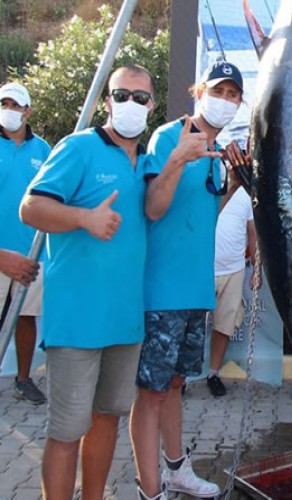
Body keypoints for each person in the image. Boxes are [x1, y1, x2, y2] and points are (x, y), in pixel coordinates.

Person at [19, 65, 156, 500]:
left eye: (140, 97)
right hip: (77, 322)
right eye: (122, 94)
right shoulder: (77, 148)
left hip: (124, 321)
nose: (130, 104)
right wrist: (84, 218)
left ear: (151, 106)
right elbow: (31, 208)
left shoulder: (147, 163)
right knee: (65, 431)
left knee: (108, 419)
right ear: (107, 100)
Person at [129, 60, 244, 500]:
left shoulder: (216, 151)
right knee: (152, 391)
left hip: (197, 289)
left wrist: (234, 183)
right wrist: (179, 156)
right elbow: (154, 207)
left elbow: (203, 214)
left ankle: (177, 469)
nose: (226, 101)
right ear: (198, 92)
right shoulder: (167, 137)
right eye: (219, 91)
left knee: (176, 384)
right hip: (161, 291)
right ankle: (149, 486)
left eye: (234, 95)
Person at [0, 81, 51, 405]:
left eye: (15, 106)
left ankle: (22, 379)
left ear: (27, 111)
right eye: (4, 104)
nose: (8, 111)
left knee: (26, 317)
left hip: (30, 250)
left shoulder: (42, 150)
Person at [207, 186, 258, 397]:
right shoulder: (208, 183)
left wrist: (257, 269)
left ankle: (213, 374)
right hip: (202, 269)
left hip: (234, 270)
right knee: (191, 325)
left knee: (224, 327)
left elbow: (253, 234)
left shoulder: (247, 193)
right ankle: (180, 377)